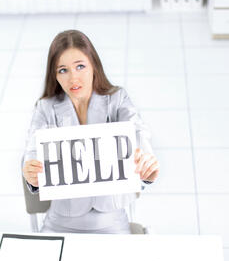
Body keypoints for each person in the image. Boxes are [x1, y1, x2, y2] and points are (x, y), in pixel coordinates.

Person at [22, 29, 159, 234]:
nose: (73, 78)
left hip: (111, 222)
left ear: (93, 65)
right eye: (63, 70)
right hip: (60, 222)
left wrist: (146, 162)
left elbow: (137, 131)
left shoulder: (117, 99)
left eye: (80, 66)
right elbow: (33, 149)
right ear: (55, 75)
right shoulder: (46, 107)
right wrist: (30, 172)